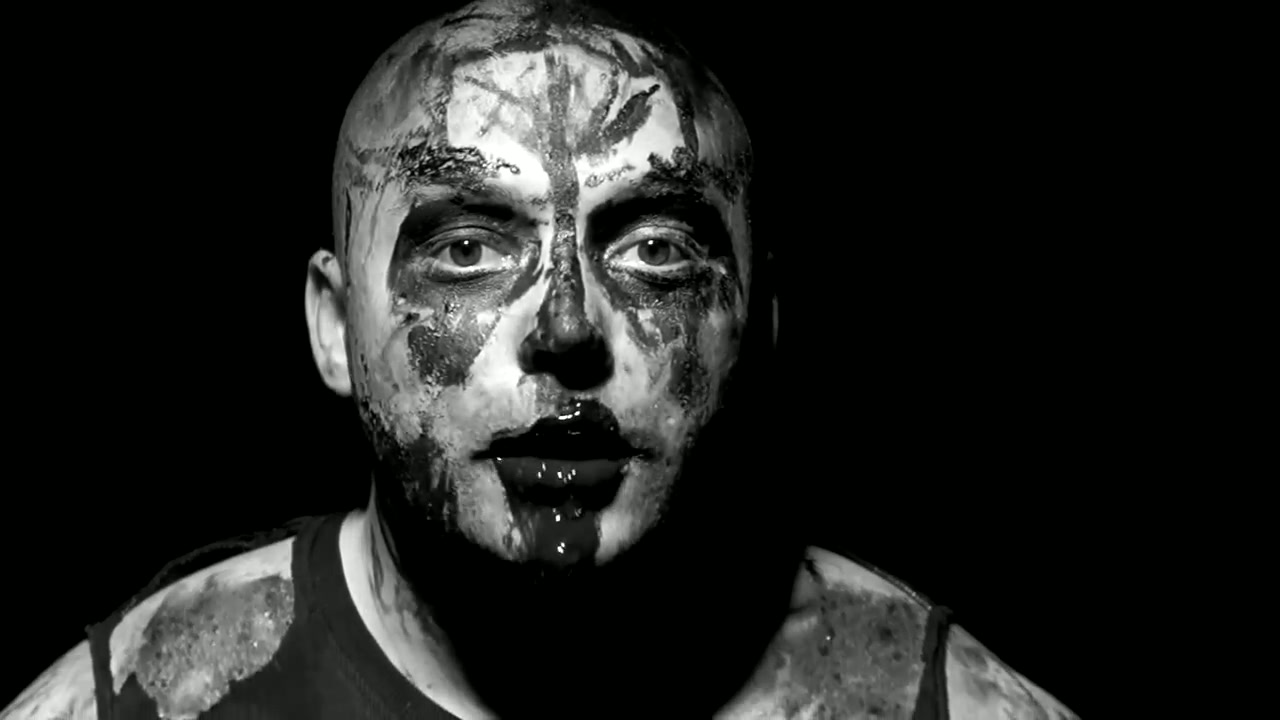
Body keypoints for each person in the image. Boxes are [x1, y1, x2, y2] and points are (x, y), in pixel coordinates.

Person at [3, 1, 1079, 718]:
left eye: (656, 251)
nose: (566, 328)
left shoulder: (929, 700)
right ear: (335, 327)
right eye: (468, 251)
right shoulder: (146, 696)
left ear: (758, 327)